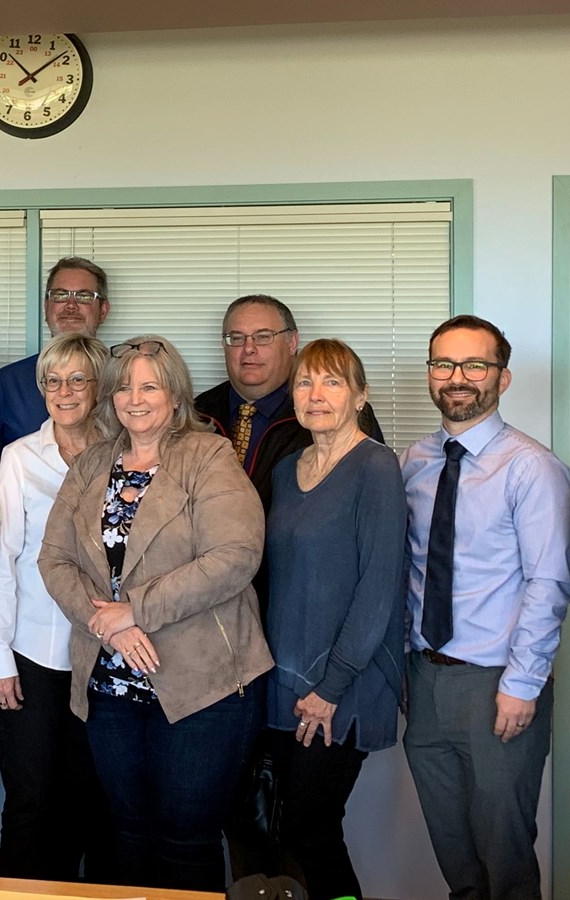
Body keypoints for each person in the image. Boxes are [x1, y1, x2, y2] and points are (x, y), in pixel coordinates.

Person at [38, 336, 273, 892]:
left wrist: (134, 610)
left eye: (149, 386)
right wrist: (107, 626)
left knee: (186, 838)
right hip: (111, 685)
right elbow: (54, 559)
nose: (135, 398)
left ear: (174, 394)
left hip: (203, 687)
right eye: (124, 386)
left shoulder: (207, 455)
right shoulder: (94, 462)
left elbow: (236, 556)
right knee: (128, 832)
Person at [194, 294, 383, 878]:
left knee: (306, 826)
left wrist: (335, 679)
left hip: (318, 659)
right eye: (235, 338)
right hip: (233, 654)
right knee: (243, 815)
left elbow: (375, 577)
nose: (248, 350)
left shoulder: (363, 453)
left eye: (263, 336)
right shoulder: (198, 414)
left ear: (291, 342)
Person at [401, 315, 570, 900]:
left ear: (502, 378)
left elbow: (547, 583)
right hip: (422, 681)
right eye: (444, 364)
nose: (457, 378)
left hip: (497, 685)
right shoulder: (414, 462)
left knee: (505, 859)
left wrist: (523, 685)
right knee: (455, 860)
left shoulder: (532, 467)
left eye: (474, 365)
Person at [261, 339, 406, 900]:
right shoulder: (286, 470)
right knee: (283, 835)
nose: (315, 395)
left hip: (340, 686)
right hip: (283, 680)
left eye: (332, 382)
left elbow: (379, 590)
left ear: (361, 395)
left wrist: (332, 687)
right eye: (304, 383)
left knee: (310, 830)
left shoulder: (375, 467)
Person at [0, 333, 112, 882]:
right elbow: (1, 561)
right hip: (32, 652)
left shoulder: (125, 450)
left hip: (106, 653)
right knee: (31, 799)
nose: (65, 391)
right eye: (54, 381)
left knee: (96, 800)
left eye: (78, 379)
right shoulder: (18, 458)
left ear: (97, 387)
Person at [0, 257, 111, 451]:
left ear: (103, 311)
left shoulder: (122, 379)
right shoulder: (8, 384)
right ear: (46, 308)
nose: (71, 305)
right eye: (60, 295)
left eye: (84, 296)